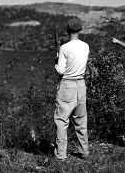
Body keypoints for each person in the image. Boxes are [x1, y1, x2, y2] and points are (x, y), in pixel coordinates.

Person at [54, 18, 89, 161]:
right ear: (80, 30)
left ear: (68, 30)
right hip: (81, 84)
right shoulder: (86, 46)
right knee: (81, 120)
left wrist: (56, 61)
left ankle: (61, 155)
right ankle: (84, 151)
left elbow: (61, 70)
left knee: (62, 120)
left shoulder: (64, 48)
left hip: (67, 84)